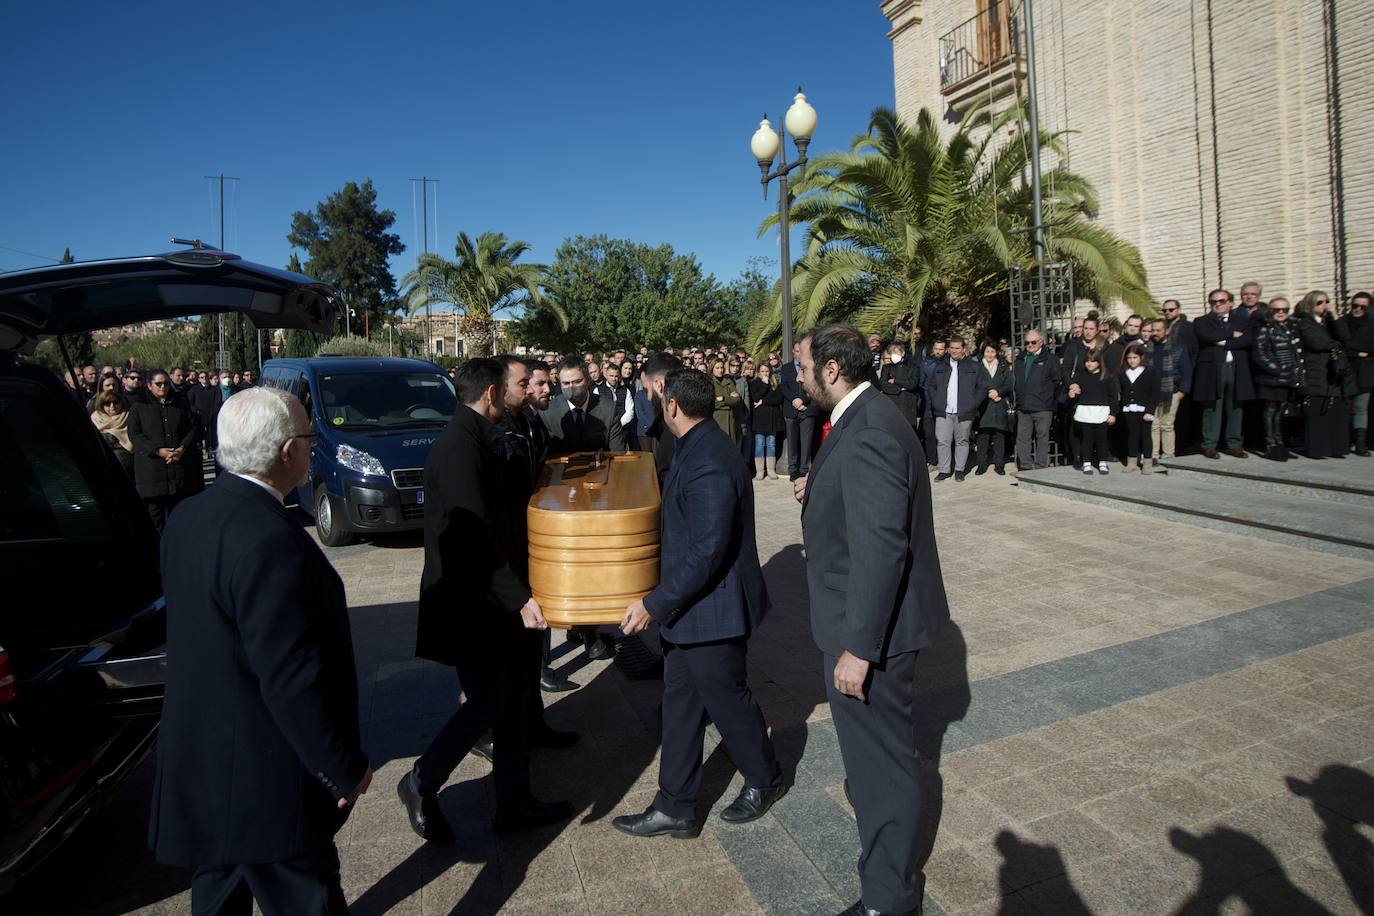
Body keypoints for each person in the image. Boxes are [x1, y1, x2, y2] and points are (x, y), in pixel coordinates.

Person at [150, 387, 372, 916]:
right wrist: (340, 767)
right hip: (266, 784)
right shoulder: (270, 539)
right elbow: (290, 676)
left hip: (204, 771)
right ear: (285, 453)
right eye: (308, 438)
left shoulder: (187, 516)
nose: (313, 446)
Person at [792, 325, 949, 916]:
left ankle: (889, 898)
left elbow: (883, 548)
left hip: (869, 635)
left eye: (804, 367)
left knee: (882, 769)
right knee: (874, 764)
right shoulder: (866, 418)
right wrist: (821, 489)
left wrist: (859, 649)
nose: (798, 378)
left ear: (833, 370)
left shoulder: (870, 432)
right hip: (863, 623)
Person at [399, 359, 573, 844]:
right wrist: (518, 598)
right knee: (488, 703)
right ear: (492, 394)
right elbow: (474, 540)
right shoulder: (458, 448)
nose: (524, 392)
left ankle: (514, 805)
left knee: (515, 699)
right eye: (517, 385)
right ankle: (421, 779)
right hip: (474, 604)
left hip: (500, 597)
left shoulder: (479, 437)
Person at [613, 369, 783, 838]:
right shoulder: (699, 444)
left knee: (727, 701)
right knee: (682, 703)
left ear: (672, 406)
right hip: (690, 612)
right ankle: (676, 805)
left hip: (714, 610)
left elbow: (707, 550)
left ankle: (766, 778)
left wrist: (654, 602)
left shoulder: (709, 458)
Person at [127, 370, 202, 530]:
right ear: (149, 385)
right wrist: (157, 450)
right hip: (153, 474)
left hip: (178, 471)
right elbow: (135, 434)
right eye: (158, 384)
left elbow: (193, 428)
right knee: (155, 522)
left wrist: (182, 448)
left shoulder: (180, 404)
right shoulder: (139, 406)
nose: (163, 387)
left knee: (180, 522)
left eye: (166, 383)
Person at [1193, 289, 1254, 459]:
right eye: (1214, 302)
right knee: (1212, 407)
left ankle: (1234, 444)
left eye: (1221, 301)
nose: (1218, 304)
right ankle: (1209, 445)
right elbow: (1207, 335)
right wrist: (1232, 335)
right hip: (1212, 369)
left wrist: (1221, 341)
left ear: (1230, 303)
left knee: (1235, 406)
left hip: (1236, 368)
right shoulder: (1202, 321)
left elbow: (1247, 340)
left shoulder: (1242, 320)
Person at [1293, 290, 1354, 459]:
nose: (1324, 305)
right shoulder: (1304, 322)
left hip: (1332, 374)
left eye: (1326, 301)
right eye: (1320, 302)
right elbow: (1316, 342)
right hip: (1315, 372)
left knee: (1335, 412)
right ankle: (1318, 449)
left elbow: (1345, 337)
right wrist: (1337, 345)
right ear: (1310, 305)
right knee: (1317, 413)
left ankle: (1336, 448)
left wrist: (1335, 315)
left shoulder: (1328, 323)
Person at [926, 337, 987, 481]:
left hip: (965, 411)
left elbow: (982, 387)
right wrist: (936, 402)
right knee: (942, 441)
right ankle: (945, 470)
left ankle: (959, 470)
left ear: (963, 349)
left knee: (962, 441)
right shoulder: (941, 366)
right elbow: (931, 386)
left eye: (957, 348)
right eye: (952, 348)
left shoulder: (974, 367)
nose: (954, 351)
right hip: (944, 411)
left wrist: (973, 404)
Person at [1250, 297, 1302, 461]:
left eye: (1285, 310)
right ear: (1270, 311)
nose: (1281, 313)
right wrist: (1276, 370)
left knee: (1280, 411)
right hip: (1270, 379)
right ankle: (1271, 445)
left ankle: (1280, 443)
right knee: (1270, 411)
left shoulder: (1287, 328)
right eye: (1276, 310)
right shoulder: (1265, 329)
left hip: (1285, 378)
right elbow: (1259, 354)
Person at [540, 356, 626, 455]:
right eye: (566, 383)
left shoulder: (609, 409)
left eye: (577, 381)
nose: (571, 387)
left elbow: (618, 454)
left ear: (588, 380)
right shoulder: (547, 412)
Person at [1144, 318, 1193, 464]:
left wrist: (1181, 392)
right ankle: (1153, 455)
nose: (1155, 333)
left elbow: (1186, 372)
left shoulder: (1178, 348)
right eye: (1153, 330)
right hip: (1151, 393)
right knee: (1153, 425)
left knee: (1167, 425)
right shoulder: (1147, 349)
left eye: (1158, 330)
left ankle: (1168, 455)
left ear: (1166, 331)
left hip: (1171, 393)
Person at [1013, 330, 1062, 470]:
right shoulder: (1021, 359)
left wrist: (1049, 399)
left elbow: (1057, 381)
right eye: (1027, 342)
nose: (1030, 345)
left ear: (1041, 342)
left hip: (1043, 407)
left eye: (1033, 342)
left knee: (1042, 438)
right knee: (1023, 438)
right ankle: (1025, 467)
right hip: (1024, 407)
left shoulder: (1050, 359)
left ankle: (1041, 467)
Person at [1067, 350, 1118, 475]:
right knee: (1087, 439)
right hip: (1086, 412)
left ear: (1099, 362)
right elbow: (1075, 394)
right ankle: (1087, 463)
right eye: (1087, 361)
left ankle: (1102, 462)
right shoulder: (1080, 376)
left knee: (1101, 439)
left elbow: (1113, 397)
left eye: (1093, 361)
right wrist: (1072, 393)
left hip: (1102, 412)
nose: (1090, 364)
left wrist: (1113, 413)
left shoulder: (1107, 377)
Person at [1337, 291, 1374, 456]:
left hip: (1365, 371)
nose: (1358, 309)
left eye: (1362, 307)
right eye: (1355, 305)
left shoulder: (1371, 324)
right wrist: (1358, 352)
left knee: (1361, 407)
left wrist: (1355, 349)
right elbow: (1340, 345)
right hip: (1346, 370)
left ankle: (1360, 443)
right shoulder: (1343, 322)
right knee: (1345, 407)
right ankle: (1344, 441)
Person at [1117, 344, 1160, 472]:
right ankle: (1132, 462)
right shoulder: (1124, 372)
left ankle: (1147, 463)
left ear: (1141, 357)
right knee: (1132, 435)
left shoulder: (1150, 372)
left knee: (1146, 436)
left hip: (1144, 410)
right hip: (1129, 409)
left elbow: (1155, 393)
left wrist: (1150, 411)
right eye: (1129, 357)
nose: (1132, 360)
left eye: (1135, 357)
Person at [779, 341, 816, 480]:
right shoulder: (786, 368)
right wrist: (794, 399)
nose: (799, 353)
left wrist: (803, 400)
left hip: (807, 409)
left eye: (802, 350)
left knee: (806, 442)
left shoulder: (812, 367)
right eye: (797, 350)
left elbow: (815, 386)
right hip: (791, 410)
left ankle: (804, 469)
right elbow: (783, 387)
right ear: (793, 352)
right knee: (792, 442)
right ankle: (793, 469)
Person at [974, 342, 1013, 475]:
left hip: (999, 405)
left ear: (996, 353)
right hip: (984, 405)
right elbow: (975, 384)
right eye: (987, 352)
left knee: (999, 436)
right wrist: (989, 392)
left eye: (992, 352)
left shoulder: (1003, 366)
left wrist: (999, 392)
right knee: (983, 436)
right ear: (983, 352)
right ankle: (981, 464)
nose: (990, 354)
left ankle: (999, 464)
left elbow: (1009, 383)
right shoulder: (978, 366)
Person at [875, 342, 922, 437]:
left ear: (903, 353)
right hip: (892, 406)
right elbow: (884, 385)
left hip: (908, 408)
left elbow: (912, 384)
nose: (893, 356)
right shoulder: (887, 368)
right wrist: (901, 388)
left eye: (895, 353)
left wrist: (896, 381)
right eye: (891, 353)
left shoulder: (913, 367)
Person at [749, 362, 785, 479]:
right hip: (760, 419)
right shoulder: (755, 383)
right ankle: (760, 470)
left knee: (771, 444)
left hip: (772, 418)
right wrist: (764, 385)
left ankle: (770, 469)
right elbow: (755, 397)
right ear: (759, 372)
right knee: (759, 444)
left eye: (767, 371)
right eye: (763, 371)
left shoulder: (775, 383)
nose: (765, 373)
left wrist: (764, 401)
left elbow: (778, 398)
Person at [91, 388, 135, 476]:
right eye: (107, 403)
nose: (112, 406)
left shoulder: (131, 417)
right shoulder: (95, 419)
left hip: (129, 466)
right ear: (101, 405)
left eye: (116, 402)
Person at [708, 357, 742, 440]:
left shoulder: (728, 381)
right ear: (712, 369)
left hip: (731, 419)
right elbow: (711, 403)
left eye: (722, 367)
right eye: (717, 368)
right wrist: (729, 400)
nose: (720, 370)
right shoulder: (709, 382)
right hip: (717, 419)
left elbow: (737, 400)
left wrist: (723, 399)